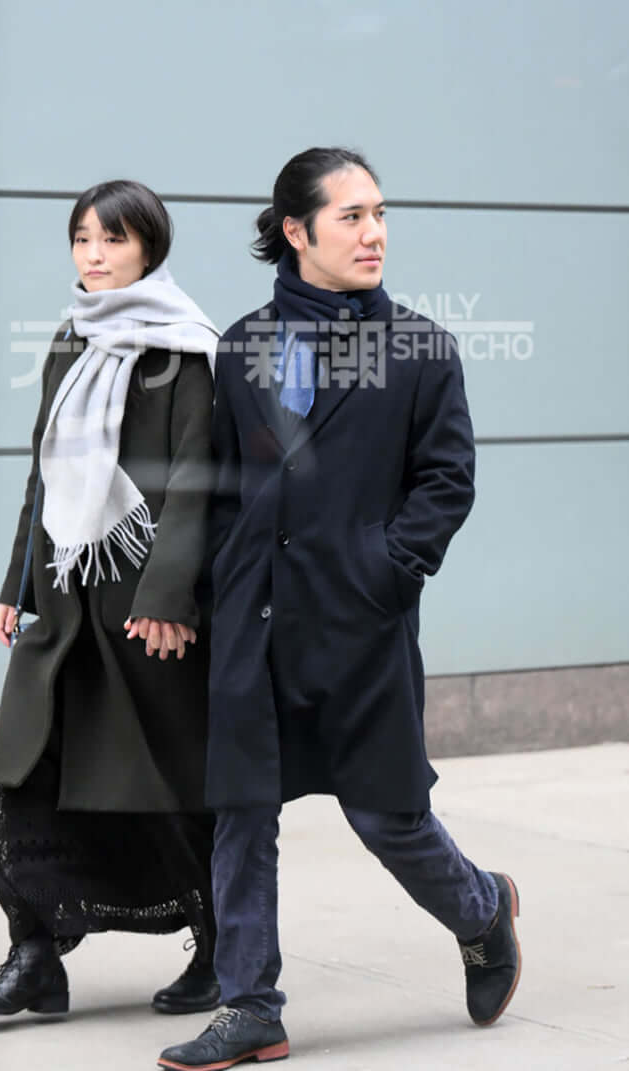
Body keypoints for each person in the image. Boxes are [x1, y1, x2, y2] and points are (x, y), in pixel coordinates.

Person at [158, 148, 521, 1069]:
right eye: (352, 216)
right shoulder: (243, 346)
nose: (374, 233)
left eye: (380, 214)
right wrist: (209, 588)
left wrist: (385, 573)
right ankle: (251, 1005)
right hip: (255, 619)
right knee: (242, 813)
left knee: (386, 815)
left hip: (358, 621)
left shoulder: (421, 349)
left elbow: (446, 482)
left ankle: (483, 910)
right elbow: (219, 480)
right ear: (296, 230)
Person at [0, 180, 221, 1019]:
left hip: (144, 617)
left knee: (166, 790)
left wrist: (170, 595)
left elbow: (195, 480)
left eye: (112, 239)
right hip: (67, 602)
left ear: (150, 246)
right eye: (82, 239)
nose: (93, 255)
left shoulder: (186, 347)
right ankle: (35, 953)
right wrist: (17, 582)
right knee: (24, 778)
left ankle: (218, 948)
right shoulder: (70, 340)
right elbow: (45, 470)